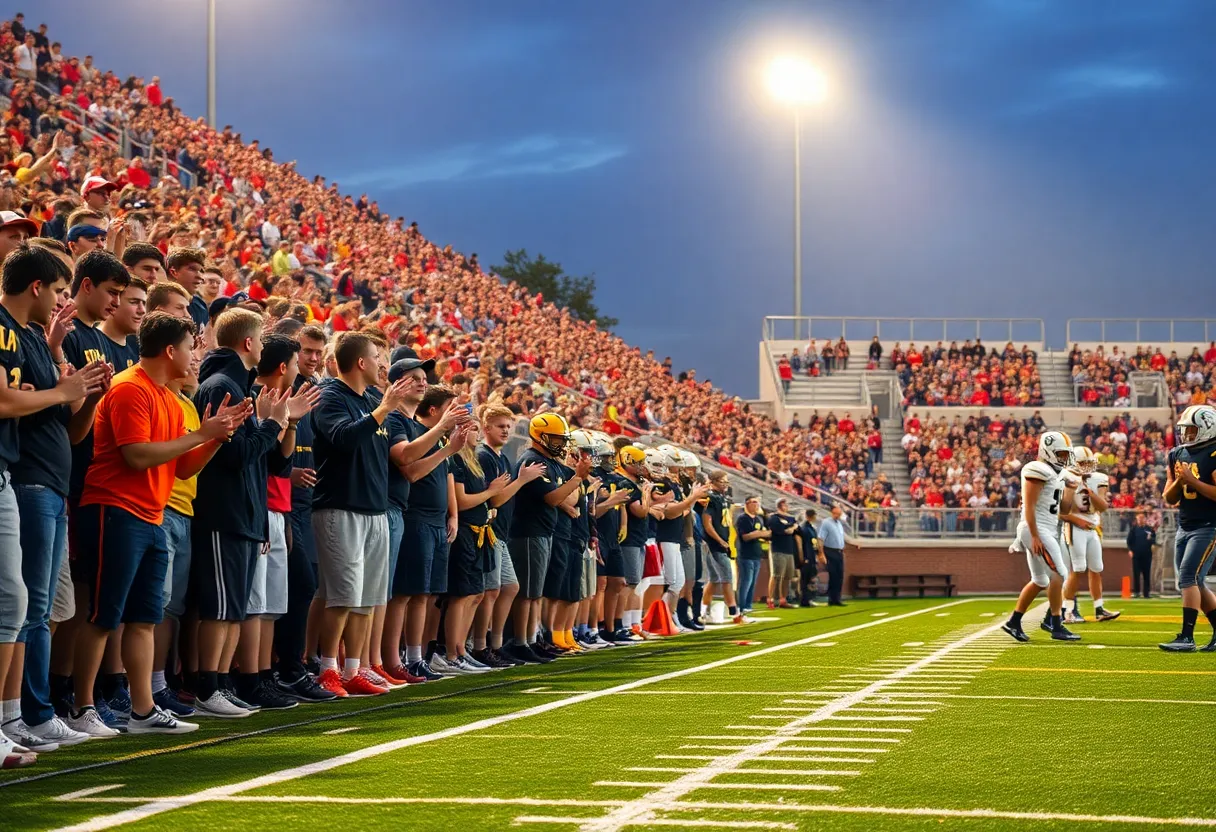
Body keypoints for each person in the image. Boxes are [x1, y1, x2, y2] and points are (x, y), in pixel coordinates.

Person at [67, 312, 250, 738]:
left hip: (151, 514)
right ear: (170, 350)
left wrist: (213, 439)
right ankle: (82, 707)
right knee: (102, 616)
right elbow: (137, 455)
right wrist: (201, 433)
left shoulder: (168, 396)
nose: (195, 355)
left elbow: (183, 468)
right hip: (114, 509)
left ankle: (142, 710)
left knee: (144, 619)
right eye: (191, 346)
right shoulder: (132, 388)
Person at [310, 332, 405, 697]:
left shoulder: (372, 398)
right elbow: (343, 439)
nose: (383, 364)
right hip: (340, 507)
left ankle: (355, 669)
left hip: (374, 509)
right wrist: (382, 410)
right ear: (360, 363)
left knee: (367, 596)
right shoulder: (331, 395)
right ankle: (328, 667)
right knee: (343, 595)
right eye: (377, 357)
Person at [503, 414, 591, 664]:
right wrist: (577, 478)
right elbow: (553, 499)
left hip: (543, 531)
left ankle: (532, 638)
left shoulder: (549, 462)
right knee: (528, 593)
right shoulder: (533, 460)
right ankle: (520, 641)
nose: (561, 443)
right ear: (540, 436)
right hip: (529, 531)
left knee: (535, 593)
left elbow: (563, 498)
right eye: (555, 438)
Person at [473, 404, 544, 662]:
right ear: (486, 428)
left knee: (509, 587)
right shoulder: (484, 456)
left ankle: (496, 642)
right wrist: (522, 480)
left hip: (500, 532)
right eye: (500, 426)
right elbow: (495, 499)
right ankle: (481, 646)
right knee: (491, 590)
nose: (505, 431)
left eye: (507, 426)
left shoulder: (501, 458)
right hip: (489, 531)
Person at [1001, 432, 1082, 644]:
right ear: (1048, 451)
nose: (1065, 458)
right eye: (1061, 454)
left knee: (1040, 580)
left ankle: (1014, 622)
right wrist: (1035, 535)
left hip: (1045, 528)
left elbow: (1063, 509)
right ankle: (1055, 622)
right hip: (1036, 528)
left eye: (1066, 454)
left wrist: (1071, 491)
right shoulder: (1036, 469)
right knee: (1060, 573)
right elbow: (1029, 505)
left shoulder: (1057, 474)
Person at [1159, 405, 1216, 652]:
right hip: (1185, 525)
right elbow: (1169, 497)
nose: (1187, 435)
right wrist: (1180, 482)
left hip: (1209, 525)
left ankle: (1187, 637)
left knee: (1188, 577)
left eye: (1191, 430)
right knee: (1197, 582)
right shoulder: (1177, 454)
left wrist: (1193, 481)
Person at [1060, 447, 1119, 624]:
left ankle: (1099, 608)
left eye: (1089, 463)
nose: (1087, 467)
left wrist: (1089, 492)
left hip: (1092, 529)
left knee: (1096, 568)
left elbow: (1102, 507)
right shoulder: (1065, 478)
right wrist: (1077, 521)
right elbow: (1060, 511)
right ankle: (1067, 610)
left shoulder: (1099, 479)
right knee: (1077, 569)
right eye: (1082, 463)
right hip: (1075, 528)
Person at [700, 471, 743, 624]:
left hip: (719, 542)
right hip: (714, 543)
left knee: (715, 579)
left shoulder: (721, 498)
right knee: (726, 578)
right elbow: (707, 523)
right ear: (713, 481)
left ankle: (702, 611)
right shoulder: (711, 498)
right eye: (722, 481)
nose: (725, 484)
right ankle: (734, 612)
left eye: (726, 481)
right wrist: (719, 540)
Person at [733, 497, 769, 613]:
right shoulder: (742, 519)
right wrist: (758, 534)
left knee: (753, 581)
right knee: (746, 580)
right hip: (745, 554)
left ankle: (748, 605)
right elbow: (745, 537)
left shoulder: (759, 519)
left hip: (756, 554)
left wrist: (758, 534)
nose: (756, 504)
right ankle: (741, 606)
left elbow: (765, 533)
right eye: (754, 502)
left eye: (757, 502)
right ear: (747, 504)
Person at [766, 498, 799, 609]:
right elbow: (780, 529)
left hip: (789, 550)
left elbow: (795, 528)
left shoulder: (790, 518)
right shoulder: (774, 518)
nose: (787, 506)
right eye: (785, 504)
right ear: (780, 505)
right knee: (776, 575)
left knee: (787, 577)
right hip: (778, 549)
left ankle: (783, 599)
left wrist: (792, 527)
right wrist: (791, 527)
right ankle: (770, 599)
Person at [817, 505, 848, 606]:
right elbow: (821, 538)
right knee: (833, 575)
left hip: (839, 551)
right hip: (830, 551)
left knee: (840, 575)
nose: (837, 516)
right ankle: (832, 598)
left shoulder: (839, 524)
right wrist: (821, 553)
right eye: (835, 514)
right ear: (832, 513)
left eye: (838, 514)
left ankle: (837, 598)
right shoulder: (826, 523)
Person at [1126, 513, 1156, 599]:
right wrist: (1130, 550)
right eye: (1139, 519)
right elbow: (1129, 541)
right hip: (1136, 554)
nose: (1140, 520)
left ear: (1145, 519)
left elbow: (1154, 539)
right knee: (1136, 574)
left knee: (1147, 574)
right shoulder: (1134, 529)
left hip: (1147, 554)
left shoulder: (1149, 529)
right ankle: (1136, 592)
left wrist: (1152, 542)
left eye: (1142, 518)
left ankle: (1146, 593)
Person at [797, 509, 823, 607]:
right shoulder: (803, 528)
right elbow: (801, 544)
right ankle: (804, 600)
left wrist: (817, 553)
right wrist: (803, 557)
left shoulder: (811, 528)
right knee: (805, 579)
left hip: (812, 555)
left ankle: (809, 598)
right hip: (807, 556)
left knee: (810, 578)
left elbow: (814, 542)